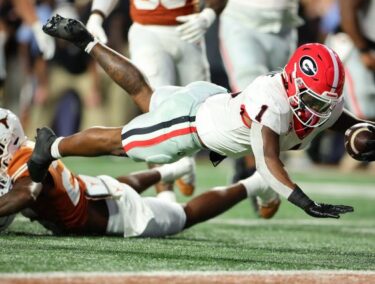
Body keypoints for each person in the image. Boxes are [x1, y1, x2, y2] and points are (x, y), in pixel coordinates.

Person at [29, 15, 368, 219]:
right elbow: (266, 162)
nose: (319, 110)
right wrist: (303, 201)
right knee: (121, 143)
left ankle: (86, 41)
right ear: (294, 84)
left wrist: (366, 136)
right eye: (312, 100)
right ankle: (52, 145)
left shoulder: (317, 100)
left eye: (326, 103)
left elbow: (350, 124)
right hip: (189, 125)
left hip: (210, 100)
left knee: (146, 96)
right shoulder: (274, 100)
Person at [0, 108, 280, 236]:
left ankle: (256, 183)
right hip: (89, 191)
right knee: (115, 186)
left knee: (185, 216)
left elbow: (24, 194)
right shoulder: (27, 150)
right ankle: (176, 168)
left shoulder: (24, 162)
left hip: (122, 217)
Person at [85, 0, 228, 201]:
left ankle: (186, 162)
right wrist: (97, 15)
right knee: (157, 110)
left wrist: (207, 15)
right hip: (146, 31)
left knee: (203, 109)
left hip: (188, 31)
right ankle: (165, 194)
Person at [219, 0, 330, 186]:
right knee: (251, 94)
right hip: (240, 23)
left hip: (284, 27)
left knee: (284, 98)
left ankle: (254, 164)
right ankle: (255, 170)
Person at [325, 0, 375, 121]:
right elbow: (346, 8)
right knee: (364, 113)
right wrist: (363, 50)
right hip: (354, 47)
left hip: (366, 47)